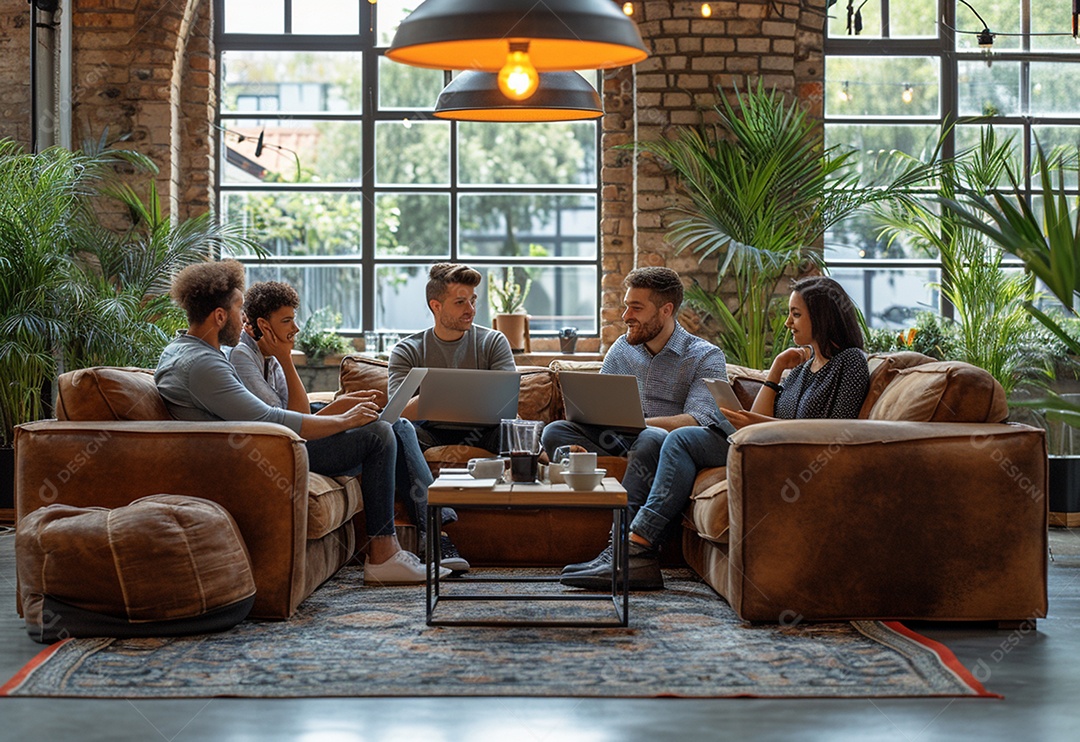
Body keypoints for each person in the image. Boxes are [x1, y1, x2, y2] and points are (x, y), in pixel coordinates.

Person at [562, 275, 871, 591]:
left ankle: (636, 545)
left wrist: (762, 427)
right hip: (764, 442)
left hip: (794, 453)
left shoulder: (850, 362)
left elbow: (837, 429)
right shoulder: (803, 368)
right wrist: (777, 370)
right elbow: (763, 418)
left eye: (796, 314)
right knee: (678, 440)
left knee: (674, 437)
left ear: (822, 315)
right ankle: (633, 553)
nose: (788, 323)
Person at [154, 260, 449, 586]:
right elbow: (269, 418)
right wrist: (343, 418)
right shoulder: (205, 364)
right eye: (239, 310)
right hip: (261, 456)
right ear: (220, 316)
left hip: (262, 446)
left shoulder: (188, 352)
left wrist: (339, 414)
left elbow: (278, 412)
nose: (244, 320)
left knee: (389, 427)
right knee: (378, 435)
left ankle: (406, 544)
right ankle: (384, 555)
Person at [227, 280, 468, 573]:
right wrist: (288, 360)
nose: (296, 328)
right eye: (287, 320)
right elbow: (293, 425)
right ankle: (393, 551)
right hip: (287, 451)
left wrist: (344, 405)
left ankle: (434, 533)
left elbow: (301, 416)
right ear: (264, 325)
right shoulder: (244, 357)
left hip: (299, 438)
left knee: (399, 424)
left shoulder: (269, 359)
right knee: (380, 433)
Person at [543, 266, 730, 588]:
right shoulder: (622, 349)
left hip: (661, 442)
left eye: (636, 308)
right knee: (555, 431)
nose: (626, 315)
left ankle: (618, 551)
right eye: (626, 306)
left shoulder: (705, 356)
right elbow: (600, 404)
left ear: (666, 310)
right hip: (619, 437)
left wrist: (635, 423)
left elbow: (696, 420)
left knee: (651, 436)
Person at [388, 262, 516, 454]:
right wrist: (450, 393)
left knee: (513, 429)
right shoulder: (406, 350)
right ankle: (423, 486)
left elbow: (508, 403)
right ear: (436, 306)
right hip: (429, 433)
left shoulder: (493, 341)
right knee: (398, 431)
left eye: (473, 300)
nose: (471, 310)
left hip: (486, 432)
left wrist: (443, 394)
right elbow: (396, 413)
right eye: (460, 302)